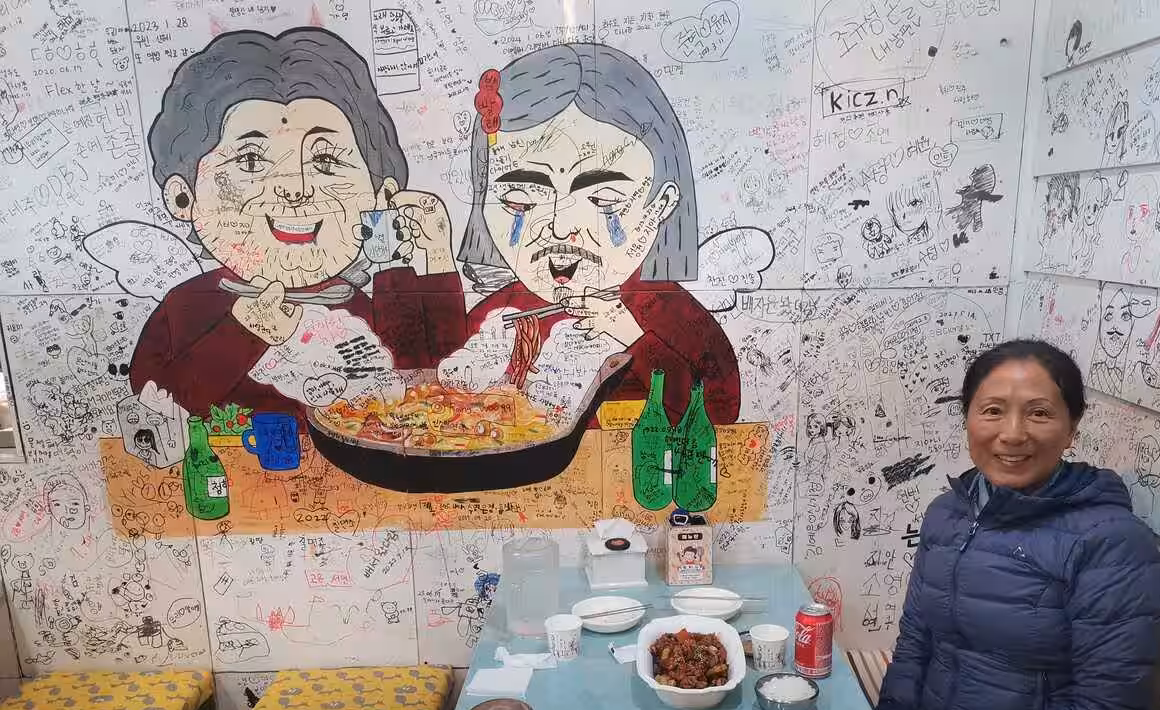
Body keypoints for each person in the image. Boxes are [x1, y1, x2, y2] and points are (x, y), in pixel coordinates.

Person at [875, 339, 1160, 710]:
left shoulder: (1110, 542)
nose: (1012, 434)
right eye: (992, 411)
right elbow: (917, 641)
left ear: (1072, 426)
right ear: (967, 419)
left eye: (1039, 413)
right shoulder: (948, 515)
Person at [131, 27, 464, 422]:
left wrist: (437, 260)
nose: (296, 190)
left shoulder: (365, 302)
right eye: (251, 161)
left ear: (381, 194)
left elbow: (440, 384)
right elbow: (152, 409)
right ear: (182, 197)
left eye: (325, 161)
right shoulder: (188, 306)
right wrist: (242, 332)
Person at [455, 43, 740, 425]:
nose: (559, 228)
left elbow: (720, 415)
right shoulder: (496, 317)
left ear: (661, 204)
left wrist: (629, 333)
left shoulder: (670, 312)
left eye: (603, 200)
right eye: (520, 202)